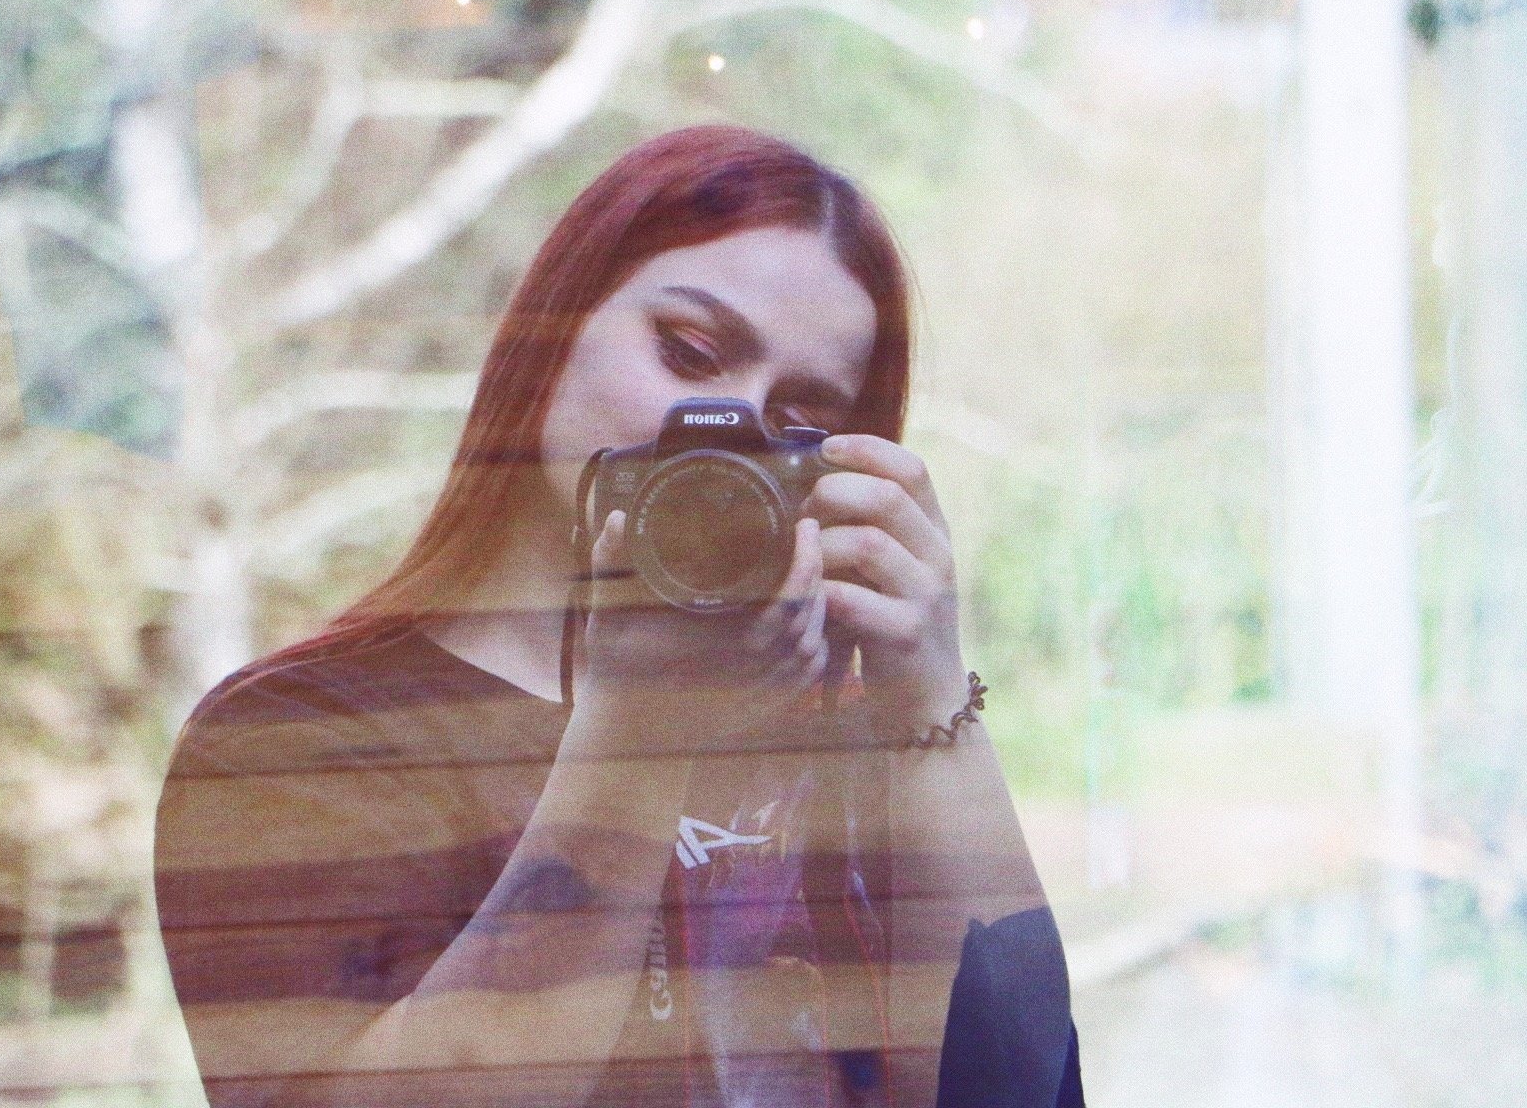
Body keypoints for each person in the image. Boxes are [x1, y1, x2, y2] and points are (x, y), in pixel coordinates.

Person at [153, 125, 1085, 1108]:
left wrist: (930, 679)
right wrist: (636, 729)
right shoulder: (298, 736)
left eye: (803, 417)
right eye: (690, 352)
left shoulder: (843, 731)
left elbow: (1024, 1085)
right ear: (553, 328)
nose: (732, 429)